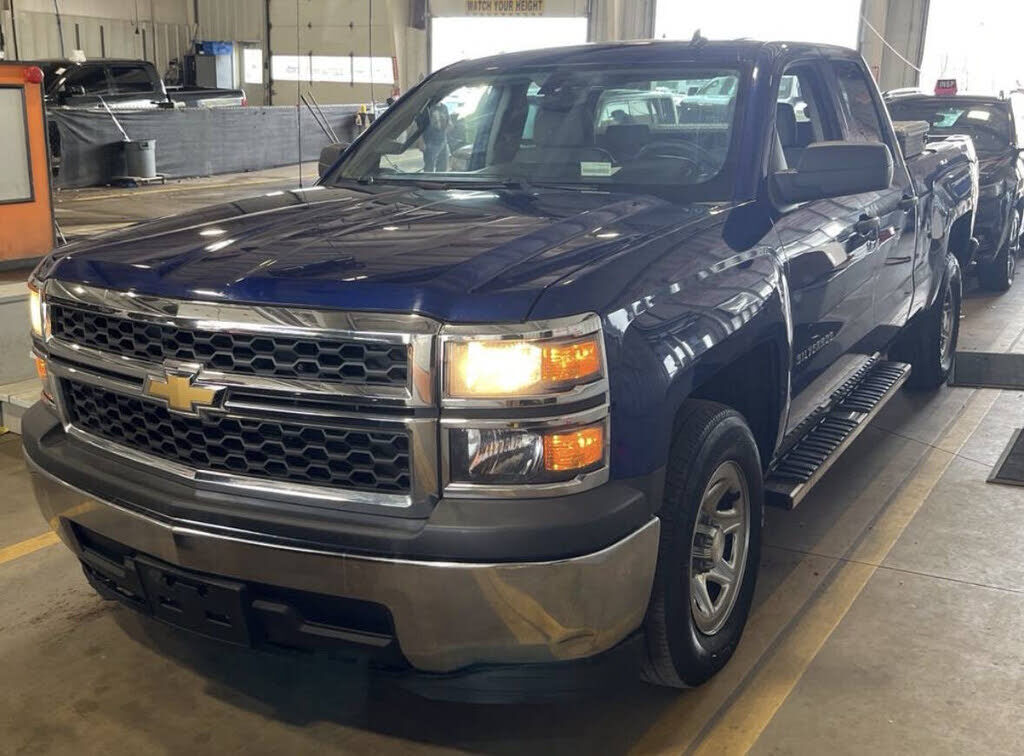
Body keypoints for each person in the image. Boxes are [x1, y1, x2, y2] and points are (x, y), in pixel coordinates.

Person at [420, 102, 450, 172]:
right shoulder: (426, 108)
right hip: (430, 141)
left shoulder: (444, 107)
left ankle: (440, 181)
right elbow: (420, 126)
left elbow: (448, 122)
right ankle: (428, 182)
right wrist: (421, 141)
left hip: (443, 140)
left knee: (443, 166)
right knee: (429, 166)